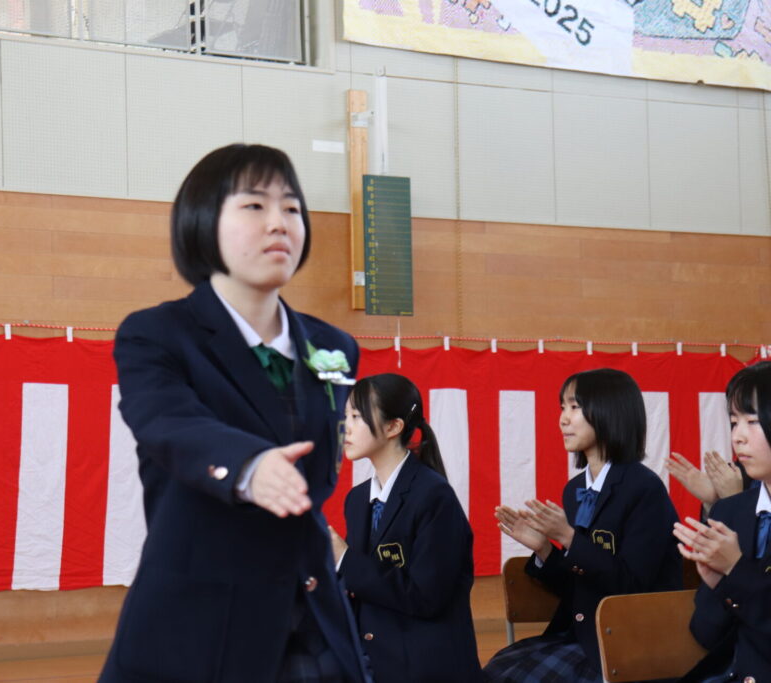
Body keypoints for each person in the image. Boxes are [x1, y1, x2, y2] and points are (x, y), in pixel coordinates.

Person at [99, 144, 370, 683]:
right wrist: (249, 465)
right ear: (203, 221)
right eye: (254, 206)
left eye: (291, 207)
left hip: (313, 619)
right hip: (199, 628)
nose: (279, 223)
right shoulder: (156, 334)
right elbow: (169, 422)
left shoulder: (334, 345)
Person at [485, 368, 682, 683]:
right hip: (582, 634)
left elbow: (632, 587)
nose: (563, 419)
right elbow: (578, 587)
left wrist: (568, 538)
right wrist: (544, 549)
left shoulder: (644, 489)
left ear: (609, 412)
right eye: (562, 407)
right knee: (494, 672)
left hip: (628, 644)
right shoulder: (575, 490)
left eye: (574, 407)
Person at [330, 373, 483, 683]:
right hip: (372, 654)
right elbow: (361, 586)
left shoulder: (434, 496)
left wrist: (344, 558)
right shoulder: (357, 499)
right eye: (346, 415)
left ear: (393, 427)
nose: (346, 426)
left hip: (423, 665)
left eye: (357, 416)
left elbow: (426, 597)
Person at [675, 361, 771, 682]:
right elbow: (704, 633)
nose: (738, 437)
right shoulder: (729, 512)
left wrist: (736, 571)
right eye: (733, 422)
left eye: (753, 421)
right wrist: (719, 584)